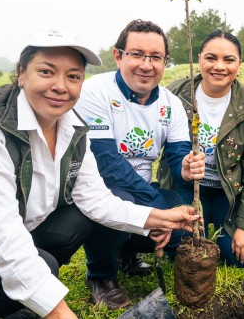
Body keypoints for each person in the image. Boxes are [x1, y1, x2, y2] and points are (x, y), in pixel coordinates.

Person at [0, 27, 200, 319]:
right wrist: (59, 312)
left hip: (16, 228)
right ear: (22, 73)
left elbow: (95, 199)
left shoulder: (71, 125)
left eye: (73, 76)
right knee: (44, 266)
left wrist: (157, 217)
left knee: (73, 222)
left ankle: (16, 300)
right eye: (46, 72)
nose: (60, 86)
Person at [74, 19, 205, 309]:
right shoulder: (95, 92)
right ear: (118, 55)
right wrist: (160, 213)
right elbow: (107, 164)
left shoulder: (170, 104)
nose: (147, 65)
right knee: (121, 199)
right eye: (137, 54)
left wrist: (185, 167)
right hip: (102, 190)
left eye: (156, 57)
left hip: (143, 190)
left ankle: (125, 254)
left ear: (164, 62)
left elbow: (177, 155)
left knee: (180, 215)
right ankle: (101, 276)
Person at [158, 30, 244, 267]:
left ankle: (222, 226)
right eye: (211, 58)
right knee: (183, 251)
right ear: (199, 60)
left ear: (239, 63)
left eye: (229, 60)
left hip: (226, 191)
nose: (219, 66)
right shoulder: (174, 94)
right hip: (186, 186)